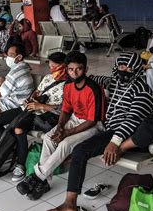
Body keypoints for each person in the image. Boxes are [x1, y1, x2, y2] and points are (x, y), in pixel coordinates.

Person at [45, 52, 153, 211]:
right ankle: (70, 204)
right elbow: (94, 78)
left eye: (129, 67)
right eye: (121, 67)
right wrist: (77, 74)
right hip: (113, 131)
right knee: (79, 151)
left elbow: (132, 121)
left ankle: (123, 148)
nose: (124, 71)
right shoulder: (115, 82)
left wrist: (115, 144)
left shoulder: (142, 90)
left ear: (138, 69)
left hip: (135, 137)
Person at [17, 51, 105, 199]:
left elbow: (92, 121)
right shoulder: (69, 85)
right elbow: (65, 109)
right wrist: (59, 127)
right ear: (67, 69)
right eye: (71, 69)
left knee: (65, 144)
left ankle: (37, 177)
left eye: (79, 69)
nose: (75, 73)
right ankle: (44, 183)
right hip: (75, 119)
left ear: (86, 69)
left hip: (94, 126)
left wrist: (67, 133)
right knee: (49, 138)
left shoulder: (94, 89)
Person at [0, 52, 68, 182]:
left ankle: (20, 163)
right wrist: (31, 99)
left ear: (63, 66)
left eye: (54, 66)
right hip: (30, 109)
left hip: (46, 116)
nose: (51, 69)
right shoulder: (49, 78)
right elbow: (37, 92)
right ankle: (14, 149)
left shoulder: (68, 85)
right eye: (50, 65)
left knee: (18, 129)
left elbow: (64, 110)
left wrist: (41, 106)